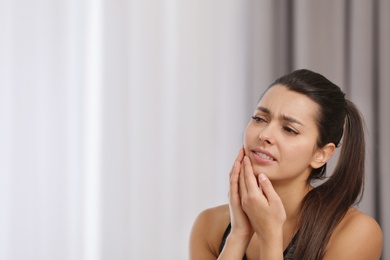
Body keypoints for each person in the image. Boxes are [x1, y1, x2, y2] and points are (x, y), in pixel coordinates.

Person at [189, 69, 383, 259]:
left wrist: (270, 237)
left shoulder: (355, 232)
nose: (265, 135)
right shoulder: (209, 225)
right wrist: (238, 235)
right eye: (259, 119)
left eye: (289, 129)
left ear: (321, 154)